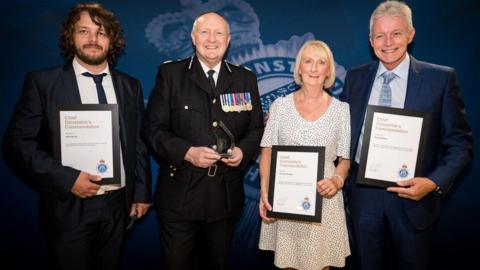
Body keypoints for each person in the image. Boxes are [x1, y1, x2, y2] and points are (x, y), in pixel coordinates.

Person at [2, 3, 151, 270]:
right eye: (84, 31)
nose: (93, 39)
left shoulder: (130, 86)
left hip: (118, 205)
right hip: (69, 206)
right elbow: (17, 144)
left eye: (102, 33)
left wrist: (140, 192)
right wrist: (68, 179)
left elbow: (138, 142)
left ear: (112, 40)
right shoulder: (43, 82)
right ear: (71, 37)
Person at [340, 1, 473, 269]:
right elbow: (339, 130)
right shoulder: (355, 78)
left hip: (414, 196)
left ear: (411, 34)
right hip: (363, 196)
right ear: (370, 39)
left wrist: (433, 182)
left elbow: (460, 144)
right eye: (380, 35)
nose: (388, 42)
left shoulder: (441, 79)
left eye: (396, 33)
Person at [143, 12, 264, 270]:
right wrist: (187, 152)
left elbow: (255, 128)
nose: (212, 39)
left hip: (225, 197)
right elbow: (152, 129)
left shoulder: (245, 78)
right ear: (193, 37)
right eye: (205, 32)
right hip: (179, 196)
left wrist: (243, 151)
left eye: (219, 33)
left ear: (228, 39)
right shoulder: (171, 74)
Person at [258, 40, 351, 270]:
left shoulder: (341, 110)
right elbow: (267, 151)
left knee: (321, 265)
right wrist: (264, 191)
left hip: (325, 199)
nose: (313, 68)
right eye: (308, 61)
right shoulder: (279, 106)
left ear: (328, 70)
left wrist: (337, 181)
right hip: (286, 199)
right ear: (299, 67)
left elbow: (345, 159)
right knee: (288, 264)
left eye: (321, 63)